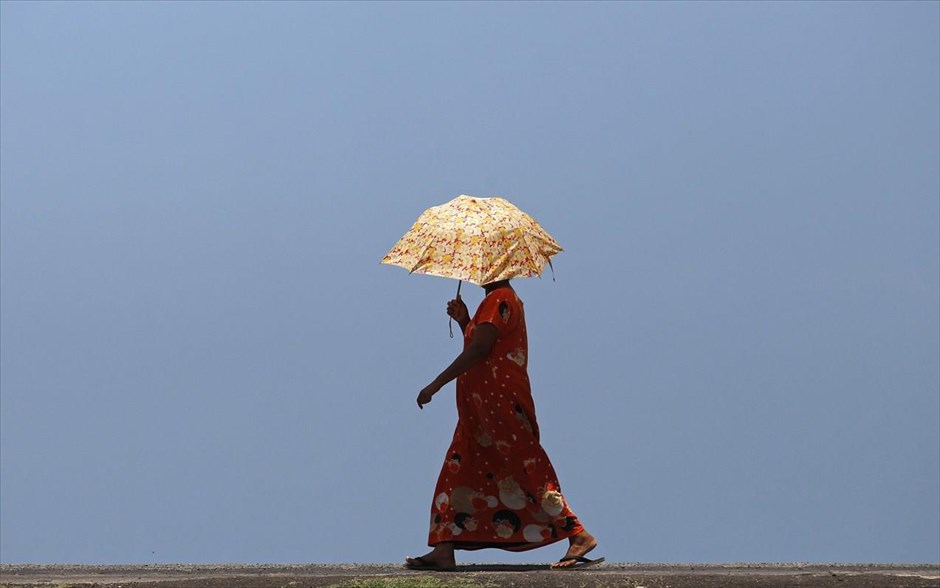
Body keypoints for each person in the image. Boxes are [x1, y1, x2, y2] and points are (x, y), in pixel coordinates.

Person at [405, 279, 602, 571]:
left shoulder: (501, 298)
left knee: (525, 466)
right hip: (480, 410)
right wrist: (465, 321)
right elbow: (482, 343)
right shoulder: (494, 302)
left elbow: (480, 350)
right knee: (460, 468)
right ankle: (444, 547)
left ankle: (578, 533)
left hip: (499, 404)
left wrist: (435, 384)